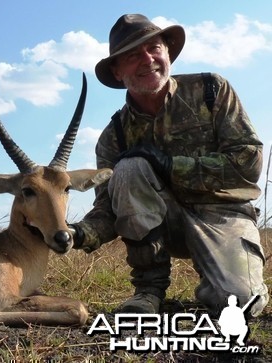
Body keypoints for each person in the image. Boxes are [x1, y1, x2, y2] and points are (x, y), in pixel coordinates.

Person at [69, 14, 269, 317]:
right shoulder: (114, 136)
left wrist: (169, 165)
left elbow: (249, 163)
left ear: (167, 52)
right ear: (118, 71)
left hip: (224, 215)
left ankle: (215, 278)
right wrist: (77, 233)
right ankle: (148, 291)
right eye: (133, 55)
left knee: (242, 304)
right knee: (129, 167)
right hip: (164, 226)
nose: (147, 59)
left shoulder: (211, 91)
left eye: (154, 48)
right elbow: (108, 207)